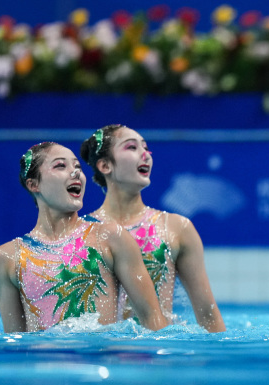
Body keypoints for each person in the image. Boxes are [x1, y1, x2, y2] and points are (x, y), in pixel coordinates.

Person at [0, 142, 170, 332]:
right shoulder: (8, 258)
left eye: (77, 166)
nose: (75, 173)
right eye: (60, 166)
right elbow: (15, 343)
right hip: (41, 360)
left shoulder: (110, 238)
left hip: (102, 359)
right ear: (34, 184)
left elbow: (153, 319)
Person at [80, 125, 225, 332]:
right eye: (132, 147)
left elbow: (208, 316)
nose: (145, 155)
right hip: (102, 352)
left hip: (157, 352)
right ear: (105, 165)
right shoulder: (82, 232)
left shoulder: (177, 228)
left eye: (147, 149)